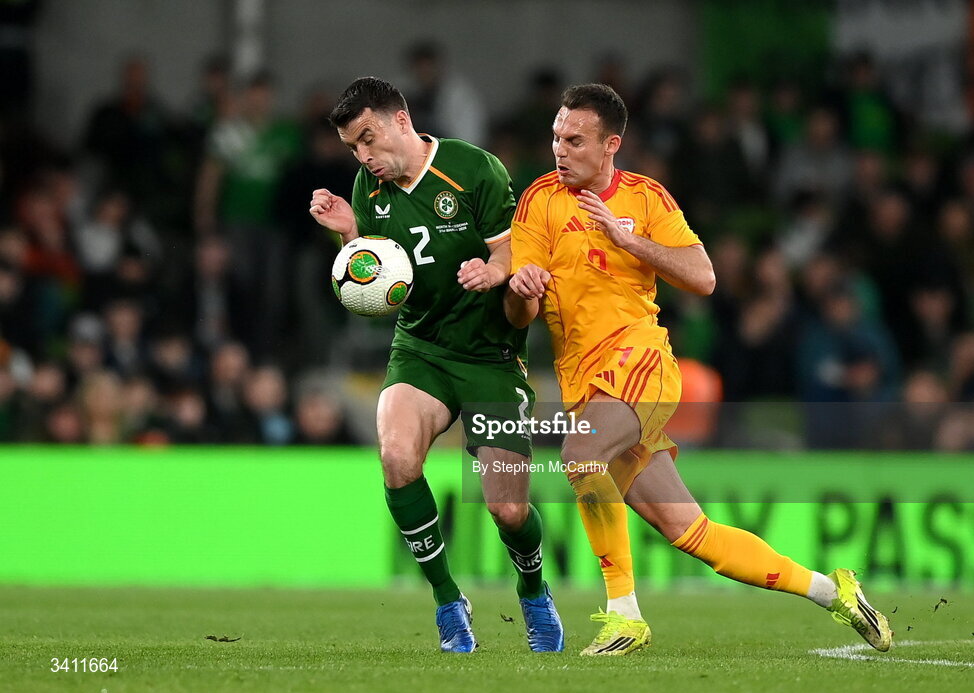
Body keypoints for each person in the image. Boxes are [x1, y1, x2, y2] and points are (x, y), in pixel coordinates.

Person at [505, 83, 892, 656]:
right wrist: (523, 286)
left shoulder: (646, 199)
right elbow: (520, 312)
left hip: (641, 364)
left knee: (579, 453)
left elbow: (704, 276)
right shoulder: (539, 199)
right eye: (557, 137)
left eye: (576, 140)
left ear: (611, 144)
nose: (561, 149)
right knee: (691, 534)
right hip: (583, 382)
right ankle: (831, 592)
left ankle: (623, 615)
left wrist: (624, 238)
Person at [308, 77, 563, 653]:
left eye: (368, 139)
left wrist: (496, 271)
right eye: (353, 148)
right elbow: (380, 275)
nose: (364, 156)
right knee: (397, 457)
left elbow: (512, 249)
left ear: (401, 119)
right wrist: (350, 233)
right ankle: (448, 601)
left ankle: (533, 589)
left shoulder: (473, 169)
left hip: (491, 356)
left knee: (507, 507)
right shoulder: (368, 189)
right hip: (421, 348)